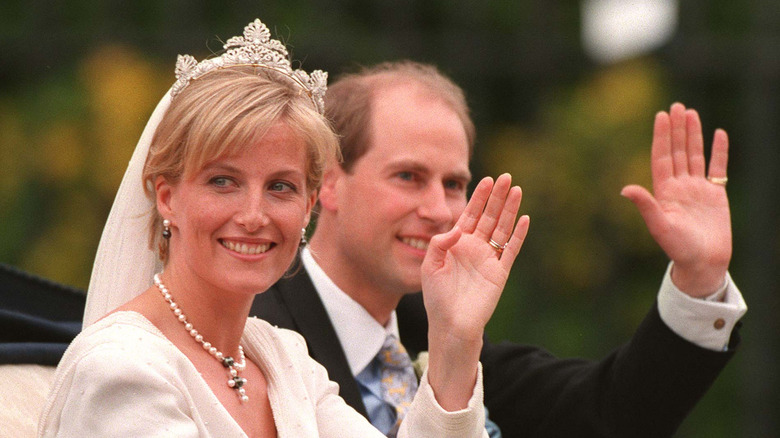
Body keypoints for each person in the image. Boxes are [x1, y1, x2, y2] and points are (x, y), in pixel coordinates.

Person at [38, 20, 530, 437]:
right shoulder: (122, 370)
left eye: (280, 187)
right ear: (167, 197)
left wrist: (455, 336)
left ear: (310, 206)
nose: (254, 215)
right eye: (223, 181)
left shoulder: (283, 360)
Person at [250, 61, 748, 437]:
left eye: (453, 183)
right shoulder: (253, 331)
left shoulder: (440, 331)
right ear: (329, 183)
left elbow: (611, 414)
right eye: (408, 176)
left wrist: (699, 278)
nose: (439, 209)